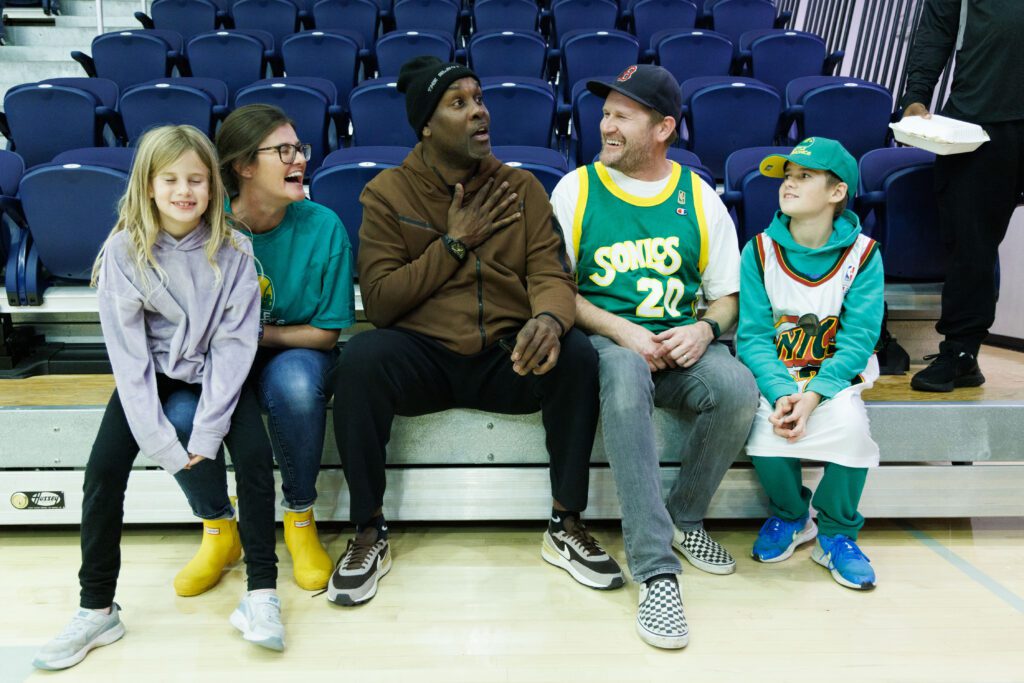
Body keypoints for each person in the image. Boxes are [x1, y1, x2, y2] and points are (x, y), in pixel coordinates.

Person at [328, 56, 623, 606]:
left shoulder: (523, 188)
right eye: (458, 103)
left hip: (507, 357)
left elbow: (553, 273)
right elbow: (385, 302)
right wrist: (454, 243)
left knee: (578, 354)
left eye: (479, 99)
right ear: (426, 124)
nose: (479, 112)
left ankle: (566, 523)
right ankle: (368, 529)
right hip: (425, 358)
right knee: (362, 358)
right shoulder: (387, 194)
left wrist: (549, 320)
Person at [33, 125, 282, 671]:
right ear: (148, 185)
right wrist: (164, 446)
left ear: (213, 187)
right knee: (102, 473)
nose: (184, 190)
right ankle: (97, 608)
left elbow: (235, 348)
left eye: (196, 179)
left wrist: (210, 430)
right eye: (170, 179)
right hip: (149, 372)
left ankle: (262, 593)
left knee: (257, 460)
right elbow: (129, 360)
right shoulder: (123, 251)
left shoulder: (235, 251)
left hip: (214, 368)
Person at [550, 64, 759, 650]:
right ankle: (654, 569)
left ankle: (685, 519)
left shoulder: (698, 195)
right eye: (606, 112)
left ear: (663, 127)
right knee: (620, 375)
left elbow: (728, 295)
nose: (606, 125)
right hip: (606, 343)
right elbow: (555, 287)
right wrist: (622, 331)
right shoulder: (577, 188)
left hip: (679, 342)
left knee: (739, 390)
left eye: (622, 115)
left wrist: (704, 328)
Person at [166, 104, 355, 594]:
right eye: (284, 151)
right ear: (244, 166)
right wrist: (227, 342)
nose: (300, 160)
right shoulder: (205, 224)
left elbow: (326, 332)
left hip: (293, 353)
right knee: (182, 412)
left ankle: (299, 520)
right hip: (213, 358)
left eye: (300, 149)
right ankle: (218, 529)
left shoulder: (324, 225)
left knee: (294, 385)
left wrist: (246, 334)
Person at [736, 137, 884, 591]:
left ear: (837, 192)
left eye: (804, 176)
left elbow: (858, 338)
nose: (789, 184)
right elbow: (754, 337)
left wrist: (816, 393)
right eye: (786, 176)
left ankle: (837, 532)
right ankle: (791, 515)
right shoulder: (758, 250)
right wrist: (783, 393)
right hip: (778, 377)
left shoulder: (863, 254)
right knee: (762, 430)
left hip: (833, 379)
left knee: (853, 430)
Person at [899, 0, 1024, 391]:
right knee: (971, 244)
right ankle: (962, 352)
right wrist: (916, 95)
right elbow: (935, 32)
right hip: (978, 120)